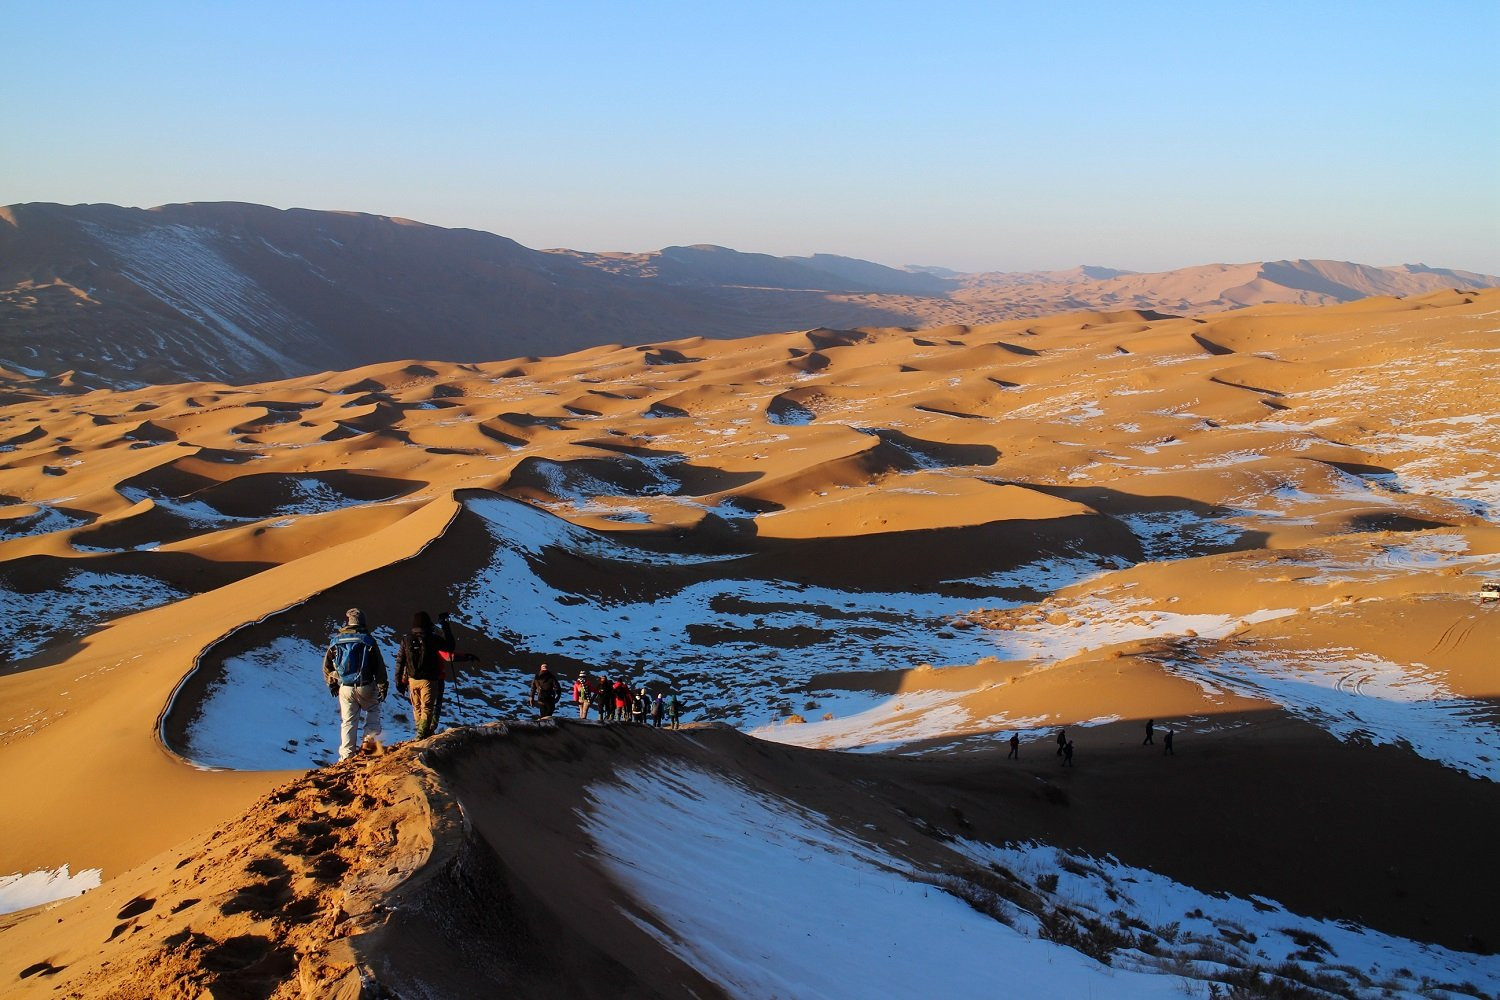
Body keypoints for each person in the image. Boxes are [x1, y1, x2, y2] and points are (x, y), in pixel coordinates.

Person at [322, 607, 388, 761]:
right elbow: (379, 666)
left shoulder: (336, 640)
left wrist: (332, 684)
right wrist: (383, 686)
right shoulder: (368, 640)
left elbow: (326, 666)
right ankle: (368, 745)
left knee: (348, 721)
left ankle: (346, 756)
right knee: (373, 709)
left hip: (345, 687)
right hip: (366, 685)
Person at [395, 611, 455, 741]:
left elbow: (400, 661)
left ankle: (421, 732)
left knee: (417, 707)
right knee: (427, 708)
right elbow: (450, 647)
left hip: (412, 680)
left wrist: (398, 681)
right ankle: (422, 736)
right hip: (429, 680)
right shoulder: (433, 639)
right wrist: (445, 625)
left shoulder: (406, 640)